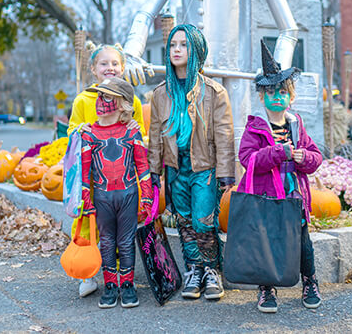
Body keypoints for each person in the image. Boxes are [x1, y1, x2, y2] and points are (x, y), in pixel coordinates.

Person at [149, 24, 235, 301]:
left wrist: (226, 173)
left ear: (196, 50)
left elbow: (224, 135)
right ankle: (194, 269)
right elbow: (154, 136)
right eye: (173, 45)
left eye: (183, 45)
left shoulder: (214, 92)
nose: (176, 49)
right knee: (184, 221)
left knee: (203, 219)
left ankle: (211, 269)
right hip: (175, 168)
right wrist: (152, 170)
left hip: (204, 167)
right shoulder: (161, 94)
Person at [236, 41, 323, 314]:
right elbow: (247, 160)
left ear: (291, 96)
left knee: (302, 242)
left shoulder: (297, 126)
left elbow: (315, 156)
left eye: (282, 91)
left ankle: (310, 282)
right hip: (267, 198)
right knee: (268, 242)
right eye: (271, 92)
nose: (277, 96)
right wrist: (276, 153)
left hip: (294, 196)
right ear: (262, 97)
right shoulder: (255, 128)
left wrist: (304, 158)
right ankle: (266, 288)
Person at [67, 42, 146, 299]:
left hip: (125, 183)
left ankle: (126, 281)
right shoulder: (83, 100)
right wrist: (82, 132)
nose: (109, 68)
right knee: (93, 231)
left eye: (115, 64)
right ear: (93, 69)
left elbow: (140, 137)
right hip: (94, 183)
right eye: (104, 63)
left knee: (123, 237)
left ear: (122, 69)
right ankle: (89, 273)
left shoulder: (131, 99)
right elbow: (71, 134)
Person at [80, 77, 154, 308]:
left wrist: (147, 197)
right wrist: (85, 198)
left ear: (122, 104)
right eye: (99, 96)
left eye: (107, 96)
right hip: (102, 197)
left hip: (128, 195)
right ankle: (110, 285)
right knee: (107, 242)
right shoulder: (89, 134)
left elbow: (142, 167)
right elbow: (84, 172)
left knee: (125, 241)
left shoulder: (132, 133)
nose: (100, 101)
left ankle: (128, 285)